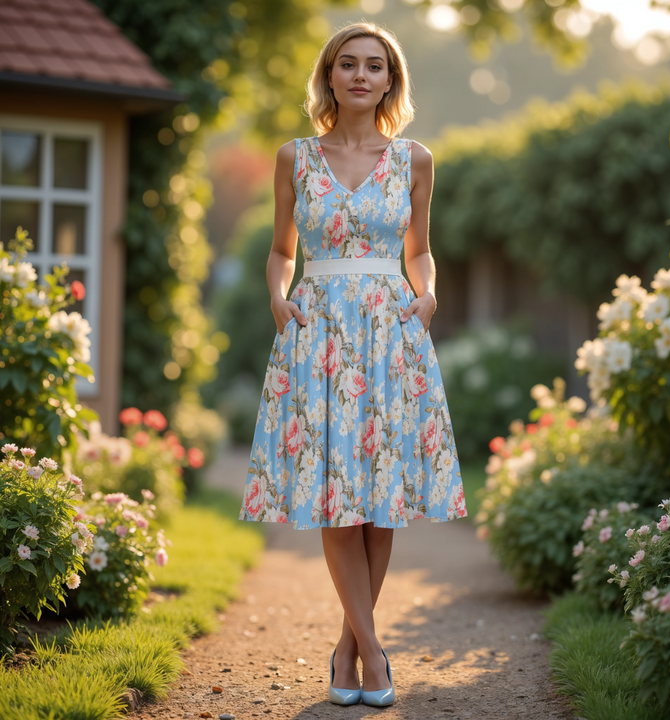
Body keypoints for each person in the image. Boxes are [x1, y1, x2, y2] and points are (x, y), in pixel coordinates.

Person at [238, 20, 468, 708]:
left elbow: (420, 249)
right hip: (319, 332)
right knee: (335, 490)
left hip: (392, 332)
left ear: (391, 80)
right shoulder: (294, 157)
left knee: (379, 499)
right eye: (348, 64)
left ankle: (347, 647)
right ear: (329, 76)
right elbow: (282, 250)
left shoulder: (416, 160)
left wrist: (428, 297)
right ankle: (373, 650)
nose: (361, 75)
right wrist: (278, 300)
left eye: (375, 66)